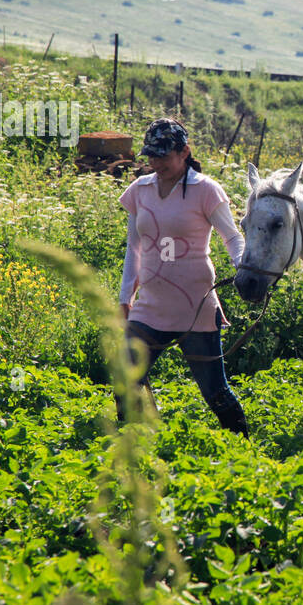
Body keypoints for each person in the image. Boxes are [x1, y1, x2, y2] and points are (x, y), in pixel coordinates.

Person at [115, 118, 250, 437]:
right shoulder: (140, 190)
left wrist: (242, 265)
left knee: (215, 392)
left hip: (196, 306)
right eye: (151, 156)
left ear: (185, 152)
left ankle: (245, 446)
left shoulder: (205, 190)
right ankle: (132, 447)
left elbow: (232, 237)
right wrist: (125, 296)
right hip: (150, 306)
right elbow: (134, 247)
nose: (156, 163)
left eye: (163, 156)